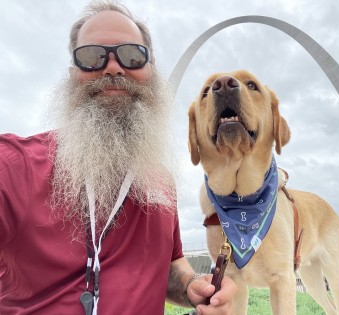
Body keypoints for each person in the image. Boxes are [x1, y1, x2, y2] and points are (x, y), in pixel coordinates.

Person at [0, 2, 236, 315]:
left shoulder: (161, 181)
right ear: (73, 74)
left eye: (132, 55)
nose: (113, 68)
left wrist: (191, 285)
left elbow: (167, 266)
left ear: (150, 70)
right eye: (92, 56)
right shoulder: (13, 165)